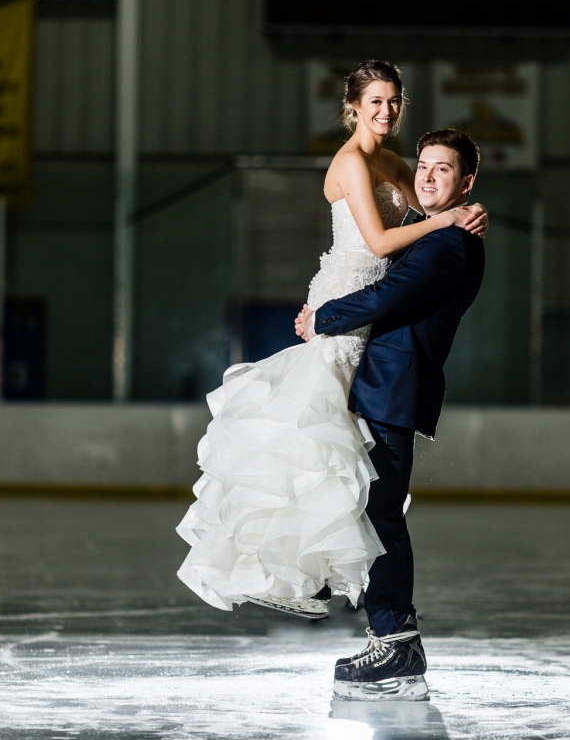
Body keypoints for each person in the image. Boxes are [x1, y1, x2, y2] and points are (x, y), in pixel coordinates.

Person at [175, 61, 487, 619]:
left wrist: (464, 210)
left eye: (394, 101)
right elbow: (383, 241)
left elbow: (431, 213)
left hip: (373, 309)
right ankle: (282, 571)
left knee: (342, 456)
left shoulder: (396, 162)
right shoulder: (350, 162)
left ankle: (318, 578)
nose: (387, 111)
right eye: (376, 102)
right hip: (349, 299)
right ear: (353, 106)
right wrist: (448, 220)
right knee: (310, 442)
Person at [295, 128, 486, 701]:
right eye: (423, 165)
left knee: (380, 515)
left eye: (443, 169)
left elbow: (387, 296)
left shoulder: (450, 245)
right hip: (381, 386)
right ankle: (379, 626)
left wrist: (323, 317)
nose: (426, 176)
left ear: (466, 184)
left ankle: (397, 643)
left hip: (393, 390)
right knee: (368, 506)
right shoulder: (438, 232)